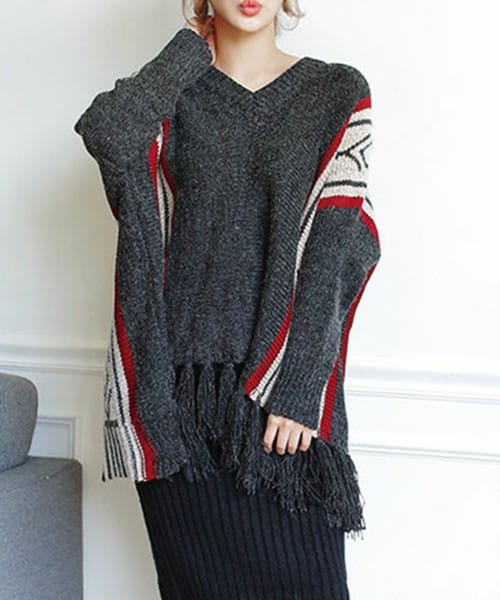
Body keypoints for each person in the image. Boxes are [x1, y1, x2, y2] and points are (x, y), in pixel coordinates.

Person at [73, 0, 382, 597]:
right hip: (177, 402)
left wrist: (300, 388)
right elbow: (107, 133)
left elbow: (339, 248)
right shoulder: (171, 93)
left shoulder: (336, 92)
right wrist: (187, 51)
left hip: (282, 399)